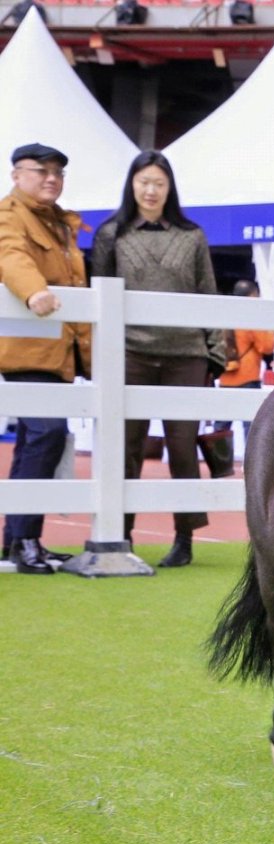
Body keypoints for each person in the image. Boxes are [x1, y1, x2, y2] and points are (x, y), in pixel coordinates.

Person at [90, 150, 224, 569]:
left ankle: (184, 537)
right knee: (126, 448)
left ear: (170, 188)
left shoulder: (192, 236)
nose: (151, 190)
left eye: (159, 183)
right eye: (143, 181)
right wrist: (100, 355)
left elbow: (208, 293)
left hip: (186, 355)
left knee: (183, 448)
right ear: (132, 185)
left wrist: (215, 352)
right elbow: (99, 296)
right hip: (129, 354)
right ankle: (121, 533)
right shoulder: (111, 234)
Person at [0, 143, 90, 574]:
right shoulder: (10, 214)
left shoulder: (59, 223)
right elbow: (10, 255)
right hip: (27, 348)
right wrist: (33, 290)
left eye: (58, 172)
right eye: (42, 170)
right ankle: (23, 539)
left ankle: (18, 540)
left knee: (35, 439)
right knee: (47, 433)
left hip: (57, 350)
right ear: (17, 175)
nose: (52, 178)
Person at [214, 279, 273, 444]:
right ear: (253, 295)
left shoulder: (225, 315)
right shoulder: (251, 317)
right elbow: (267, 346)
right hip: (247, 377)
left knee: (221, 428)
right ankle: (250, 460)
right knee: (251, 427)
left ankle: (219, 459)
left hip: (225, 377)